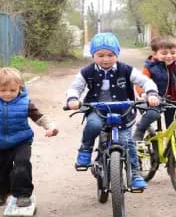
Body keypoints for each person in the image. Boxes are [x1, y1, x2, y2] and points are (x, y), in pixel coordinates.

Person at [66, 32, 160, 190]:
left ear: (116, 54)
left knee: (127, 143)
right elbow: (75, 87)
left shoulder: (126, 70)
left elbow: (145, 81)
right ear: (93, 55)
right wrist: (73, 99)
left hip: (123, 111)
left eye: (110, 55)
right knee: (94, 125)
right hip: (97, 109)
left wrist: (151, 93)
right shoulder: (87, 71)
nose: (105, 59)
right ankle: (85, 150)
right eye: (100, 55)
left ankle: (135, 174)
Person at [0, 67, 59, 208]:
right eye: (3, 90)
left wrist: (50, 127)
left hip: (21, 141)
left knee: (22, 165)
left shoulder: (25, 103)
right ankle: (2, 192)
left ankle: (23, 194)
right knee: (0, 171)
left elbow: (39, 117)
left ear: (20, 88)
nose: (8, 94)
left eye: (13, 90)